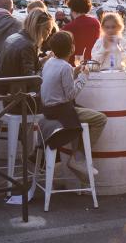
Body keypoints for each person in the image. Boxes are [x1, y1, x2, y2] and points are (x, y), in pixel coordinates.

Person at [41, 30, 107, 179]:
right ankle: (78, 158)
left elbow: (58, 83)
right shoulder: (64, 67)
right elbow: (70, 95)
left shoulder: (50, 62)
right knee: (100, 118)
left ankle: (78, 156)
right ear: (72, 48)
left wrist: (74, 72)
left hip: (47, 108)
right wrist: (84, 77)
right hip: (60, 111)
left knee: (85, 113)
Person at [0, 9, 56, 111]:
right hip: (21, 102)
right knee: (60, 100)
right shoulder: (28, 46)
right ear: (37, 28)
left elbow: (21, 69)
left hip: (7, 95)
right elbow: (31, 80)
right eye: (47, 29)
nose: (49, 33)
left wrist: (45, 60)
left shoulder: (13, 37)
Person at [62, 0, 101, 65]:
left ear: (72, 8)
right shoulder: (96, 23)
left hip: (73, 63)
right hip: (92, 62)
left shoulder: (68, 27)